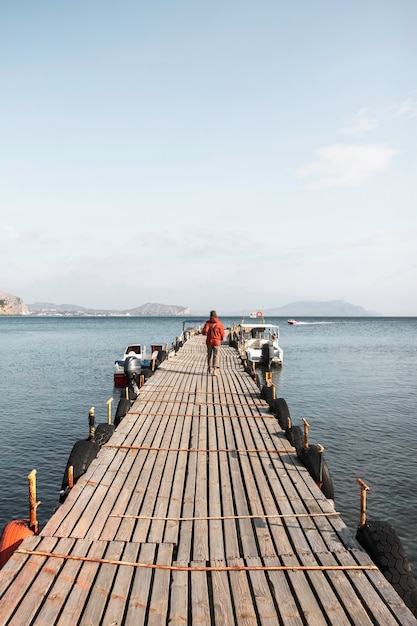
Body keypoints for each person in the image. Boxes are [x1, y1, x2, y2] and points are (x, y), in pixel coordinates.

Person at [202, 310, 225, 375]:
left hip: (209, 341)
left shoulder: (208, 323)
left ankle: (209, 368)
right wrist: (222, 338)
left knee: (209, 355)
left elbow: (204, 331)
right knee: (216, 355)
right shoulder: (219, 323)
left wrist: (205, 332)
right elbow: (222, 333)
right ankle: (215, 369)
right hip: (217, 342)